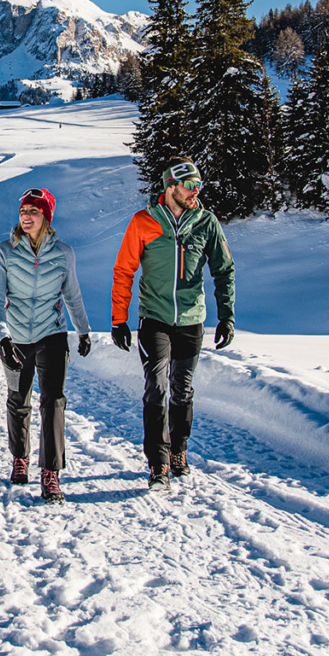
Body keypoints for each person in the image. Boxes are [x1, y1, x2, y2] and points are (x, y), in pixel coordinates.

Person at [111, 157, 235, 491]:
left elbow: (224, 270)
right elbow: (124, 270)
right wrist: (119, 320)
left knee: (182, 389)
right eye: (190, 186)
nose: (196, 192)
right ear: (170, 186)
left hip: (192, 320)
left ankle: (179, 451)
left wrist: (227, 315)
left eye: (199, 186)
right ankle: (158, 463)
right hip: (154, 319)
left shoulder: (206, 222)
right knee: (157, 387)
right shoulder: (143, 222)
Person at [0, 187, 92, 504]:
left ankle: (51, 473)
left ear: (46, 216)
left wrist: (83, 331)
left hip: (52, 335)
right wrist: (2, 337)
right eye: (23, 211)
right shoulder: (4, 251)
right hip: (15, 338)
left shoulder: (63, 254)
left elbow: (72, 295)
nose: (26, 216)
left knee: (53, 401)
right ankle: (20, 457)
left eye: (33, 211)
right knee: (19, 400)